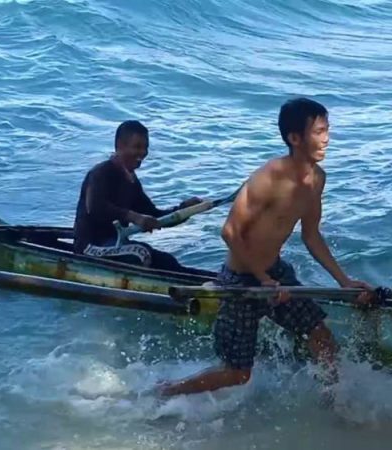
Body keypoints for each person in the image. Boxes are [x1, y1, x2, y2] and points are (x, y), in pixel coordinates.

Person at [158, 97, 376, 397]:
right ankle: (168, 391)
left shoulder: (317, 179)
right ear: (295, 138)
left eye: (328, 130)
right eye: (319, 131)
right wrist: (262, 279)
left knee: (323, 340)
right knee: (237, 373)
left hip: (274, 275)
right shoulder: (269, 176)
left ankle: (333, 407)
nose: (327, 138)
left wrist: (344, 282)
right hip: (241, 280)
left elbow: (311, 236)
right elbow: (230, 232)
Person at [72, 120, 212, 277]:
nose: (143, 153)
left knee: (167, 261)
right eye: (137, 146)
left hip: (115, 244)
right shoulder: (101, 172)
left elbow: (154, 216)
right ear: (120, 146)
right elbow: (95, 208)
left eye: (146, 147)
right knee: (141, 253)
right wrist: (133, 216)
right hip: (90, 247)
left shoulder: (131, 180)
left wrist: (184, 210)